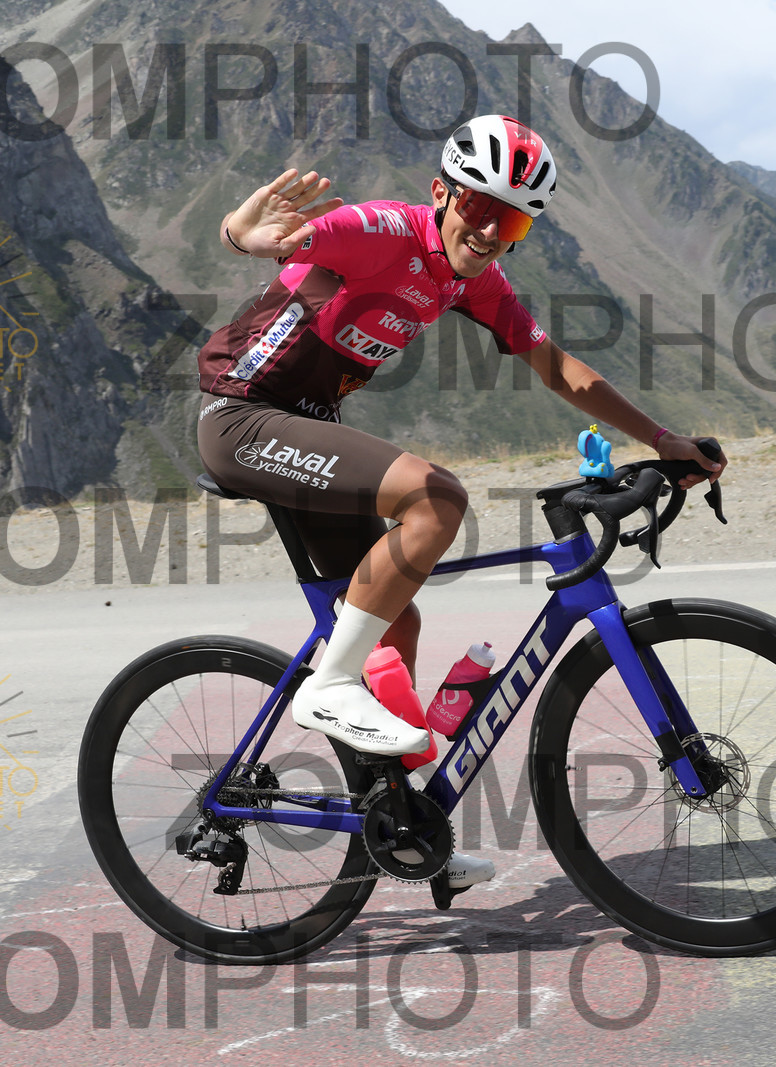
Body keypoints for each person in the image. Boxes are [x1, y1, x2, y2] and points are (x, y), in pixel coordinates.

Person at [195, 115, 727, 885]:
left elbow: (558, 367)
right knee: (436, 498)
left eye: (510, 221)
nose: (487, 230)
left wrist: (662, 437)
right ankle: (330, 687)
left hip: (305, 427)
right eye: (478, 206)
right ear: (442, 193)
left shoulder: (472, 279)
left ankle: (402, 822)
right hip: (241, 418)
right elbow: (282, 237)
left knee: (395, 619)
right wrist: (238, 231)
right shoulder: (384, 231)